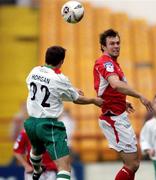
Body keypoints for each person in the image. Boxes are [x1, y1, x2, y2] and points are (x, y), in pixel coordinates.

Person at [24, 45, 103, 180]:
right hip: (49, 125)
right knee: (64, 168)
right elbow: (77, 99)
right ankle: (39, 169)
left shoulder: (34, 71)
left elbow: (50, 90)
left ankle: (37, 169)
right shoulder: (60, 80)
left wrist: (69, 89)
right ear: (61, 62)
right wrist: (93, 100)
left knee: (37, 150)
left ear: (46, 57)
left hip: (31, 123)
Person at [93, 29, 153, 180]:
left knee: (134, 163)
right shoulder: (105, 62)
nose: (116, 46)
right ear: (103, 47)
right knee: (132, 164)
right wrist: (139, 95)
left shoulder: (113, 63)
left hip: (118, 114)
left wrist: (122, 101)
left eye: (118, 43)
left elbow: (106, 89)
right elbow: (115, 84)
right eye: (111, 43)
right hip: (113, 118)